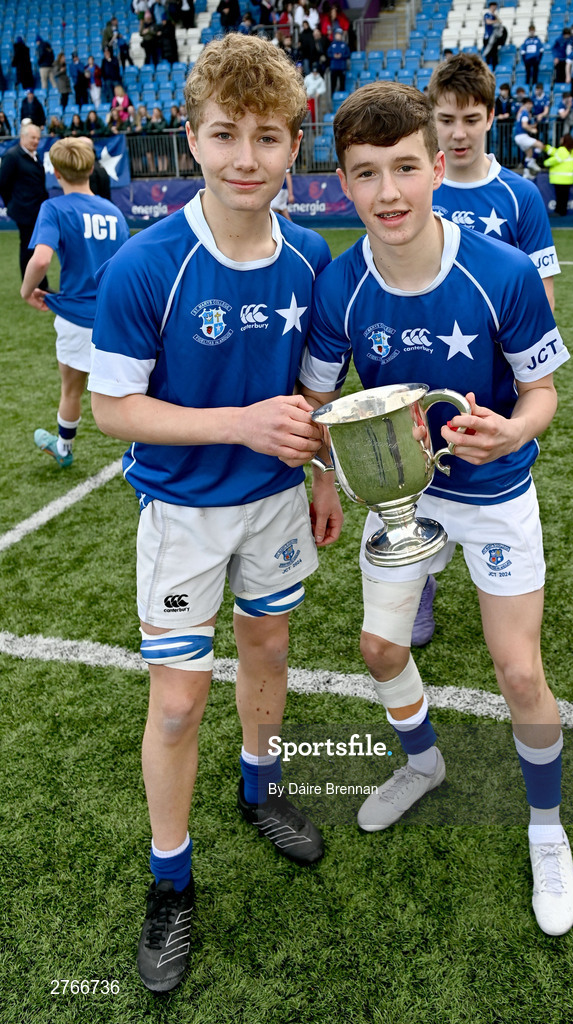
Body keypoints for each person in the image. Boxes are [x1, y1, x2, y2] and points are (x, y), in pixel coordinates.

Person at [298, 79, 573, 940]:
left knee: (518, 672)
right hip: (399, 502)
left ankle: (545, 826)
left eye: (405, 168)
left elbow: (543, 393)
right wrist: (320, 480)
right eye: (366, 174)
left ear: (437, 161)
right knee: (379, 648)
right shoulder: (340, 285)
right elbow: (317, 402)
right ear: (341, 183)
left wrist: (513, 430)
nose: (388, 193)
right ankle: (421, 765)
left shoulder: (497, 272)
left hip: (492, 495)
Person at [87, 32, 338, 994]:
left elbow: (315, 394)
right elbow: (113, 410)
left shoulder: (313, 256)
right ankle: (170, 881)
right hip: (184, 517)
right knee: (179, 699)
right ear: (190, 138)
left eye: (267, 138)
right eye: (225, 134)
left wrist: (320, 476)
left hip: (276, 507)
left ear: (291, 146)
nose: (246, 159)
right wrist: (236, 421)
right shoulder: (148, 265)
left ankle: (261, 785)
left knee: (269, 651)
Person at [417, 54, 561, 645]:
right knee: (419, 477)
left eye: (470, 119)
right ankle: (420, 574)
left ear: (492, 117)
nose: (457, 133)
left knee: (485, 467)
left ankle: (497, 571)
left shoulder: (519, 195)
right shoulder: (417, 182)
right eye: (446, 119)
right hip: (419, 365)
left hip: (494, 381)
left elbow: (542, 296)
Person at [20, 137, 129, 468]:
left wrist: (28, 291)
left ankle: (64, 449)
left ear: (54, 171)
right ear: (92, 167)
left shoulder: (53, 208)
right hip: (115, 317)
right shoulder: (114, 212)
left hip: (75, 316)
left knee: (72, 390)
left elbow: (40, 260)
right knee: (133, 392)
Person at [0, 122, 49, 285]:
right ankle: (32, 284)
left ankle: (39, 283)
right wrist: (14, 204)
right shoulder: (12, 156)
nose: (36, 141)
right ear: (23, 137)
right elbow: (3, 184)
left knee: (36, 248)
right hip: (25, 212)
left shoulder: (35, 156)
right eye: (33, 138)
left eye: (38, 138)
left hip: (37, 210)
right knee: (29, 249)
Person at [534, 133, 573, 216]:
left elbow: (555, 159)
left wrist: (545, 163)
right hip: (568, 179)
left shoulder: (562, 150)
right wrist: (546, 148)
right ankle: (563, 211)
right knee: (564, 197)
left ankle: (559, 211)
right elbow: (555, 152)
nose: (560, 139)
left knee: (560, 197)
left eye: (562, 138)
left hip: (559, 178)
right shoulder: (571, 151)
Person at [328, 28, 350, 94]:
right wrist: (333, 56)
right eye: (337, 34)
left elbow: (348, 54)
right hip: (334, 67)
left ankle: (342, 97)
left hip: (342, 67)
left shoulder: (344, 45)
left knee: (342, 84)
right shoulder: (332, 44)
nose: (338, 36)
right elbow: (328, 53)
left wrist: (341, 56)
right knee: (333, 84)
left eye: (339, 34)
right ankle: (333, 98)